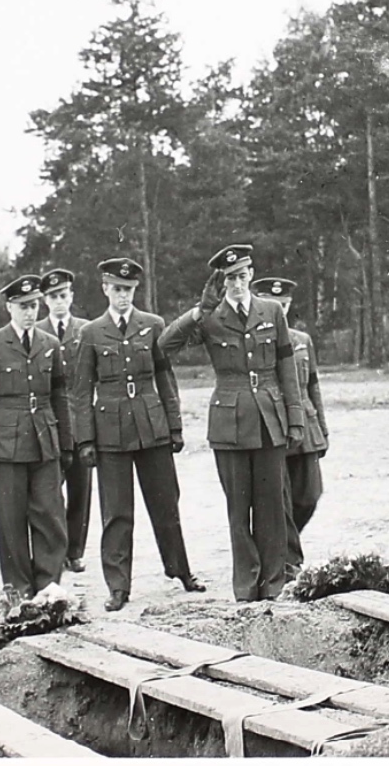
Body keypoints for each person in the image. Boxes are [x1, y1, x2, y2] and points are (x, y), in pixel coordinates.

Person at [159, 245, 305, 602]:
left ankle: (273, 584)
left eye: (241, 276)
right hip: (229, 422)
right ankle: (246, 585)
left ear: (251, 275)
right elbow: (164, 345)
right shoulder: (210, 316)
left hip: (270, 418)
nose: (237, 284)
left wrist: (295, 418)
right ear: (220, 282)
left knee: (271, 506)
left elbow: (287, 367)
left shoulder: (271, 310)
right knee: (239, 509)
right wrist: (198, 311)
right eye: (229, 279)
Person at [71, 257, 205, 612]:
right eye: (117, 289)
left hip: (151, 425)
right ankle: (118, 586)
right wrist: (84, 440)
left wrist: (174, 425)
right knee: (116, 512)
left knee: (166, 503)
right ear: (105, 289)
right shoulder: (91, 333)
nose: (123, 296)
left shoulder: (152, 325)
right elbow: (81, 391)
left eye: (128, 290)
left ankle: (181, 571)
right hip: (110, 431)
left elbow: (165, 378)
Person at [0, 274, 71, 599]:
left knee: (50, 515)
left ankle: (48, 586)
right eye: (23, 306)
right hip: (6, 445)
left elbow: (59, 397)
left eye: (34, 305)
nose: (29, 312)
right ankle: (19, 589)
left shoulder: (50, 344)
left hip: (44, 442)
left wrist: (66, 444)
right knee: (11, 520)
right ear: (10, 307)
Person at [250, 277, 329, 578]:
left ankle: (278, 545)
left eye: (284, 306)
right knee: (278, 499)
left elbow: (313, 385)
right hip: (273, 428)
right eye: (275, 306)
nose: (280, 312)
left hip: (305, 429)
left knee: (309, 494)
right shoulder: (256, 343)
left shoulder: (301, 340)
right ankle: (289, 561)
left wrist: (322, 428)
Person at [37, 267, 93, 573]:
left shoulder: (86, 330)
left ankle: (75, 551)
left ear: (71, 296)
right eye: (53, 297)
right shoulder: (38, 330)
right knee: (48, 491)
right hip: (49, 421)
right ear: (45, 300)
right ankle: (53, 551)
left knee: (80, 489)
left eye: (63, 295)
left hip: (80, 418)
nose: (59, 302)